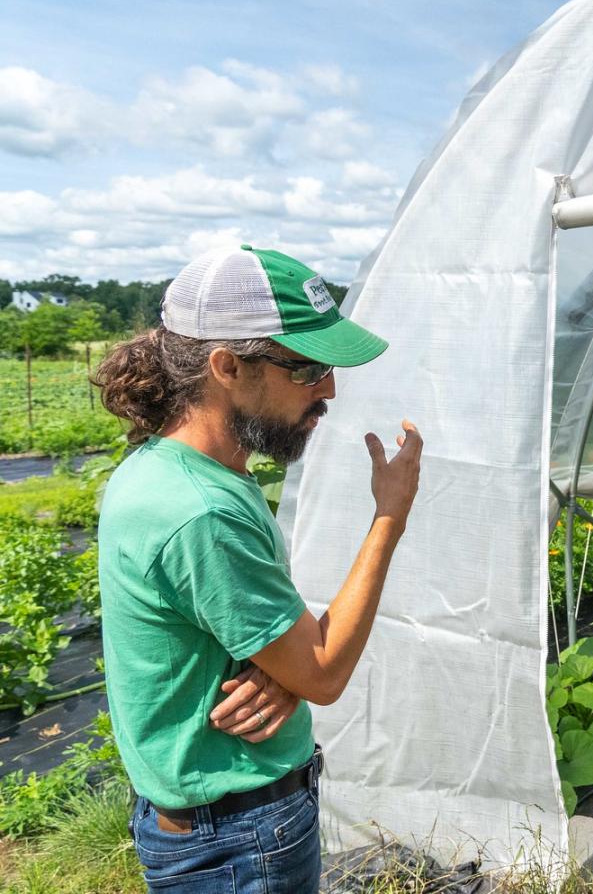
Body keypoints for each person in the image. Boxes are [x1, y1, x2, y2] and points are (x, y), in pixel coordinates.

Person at [94, 244, 422, 893]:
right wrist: (391, 511)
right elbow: (324, 670)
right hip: (239, 843)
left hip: (220, 825)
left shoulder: (184, 469)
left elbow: (276, 652)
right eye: (307, 368)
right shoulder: (200, 512)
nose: (329, 387)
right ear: (227, 366)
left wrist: (286, 671)